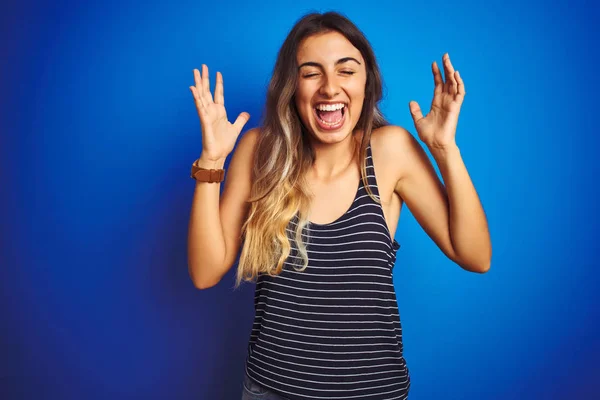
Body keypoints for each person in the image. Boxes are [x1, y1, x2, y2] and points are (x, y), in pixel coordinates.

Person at [187, 11, 491, 400]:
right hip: (270, 389)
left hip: (373, 392)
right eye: (311, 72)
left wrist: (445, 150)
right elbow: (204, 272)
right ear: (290, 86)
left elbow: (477, 256)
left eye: (346, 70)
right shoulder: (259, 151)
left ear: (367, 83)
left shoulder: (390, 150)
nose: (330, 88)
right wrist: (211, 161)